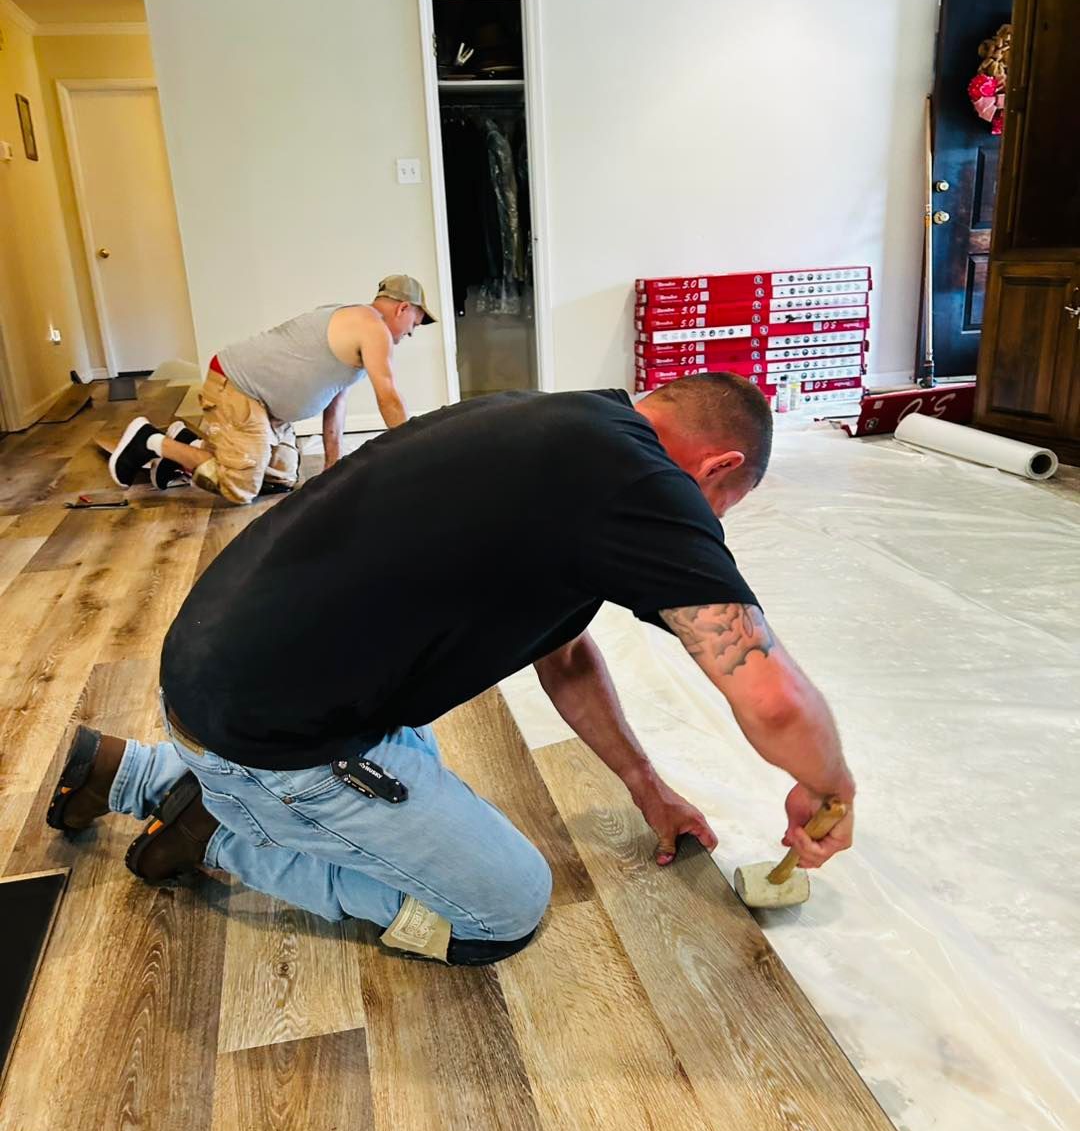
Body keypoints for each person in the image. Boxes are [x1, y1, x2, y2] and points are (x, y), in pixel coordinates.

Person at [50, 374, 856, 967]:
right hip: (276, 735)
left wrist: (648, 787)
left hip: (220, 674)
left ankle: (143, 777)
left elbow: (567, 655)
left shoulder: (559, 424)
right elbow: (773, 698)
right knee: (500, 911)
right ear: (718, 467)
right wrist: (832, 787)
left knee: (416, 777)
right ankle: (220, 837)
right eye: (720, 510)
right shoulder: (643, 485)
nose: (704, 528)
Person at [106, 275, 434, 501]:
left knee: (281, 478)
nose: (411, 333)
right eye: (414, 325)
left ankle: (186, 443)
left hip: (263, 406)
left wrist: (333, 466)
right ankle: (148, 441)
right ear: (402, 308)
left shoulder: (356, 327)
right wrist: (413, 454)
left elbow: (336, 401)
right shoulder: (373, 328)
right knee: (240, 489)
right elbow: (388, 396)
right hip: (237, 388)